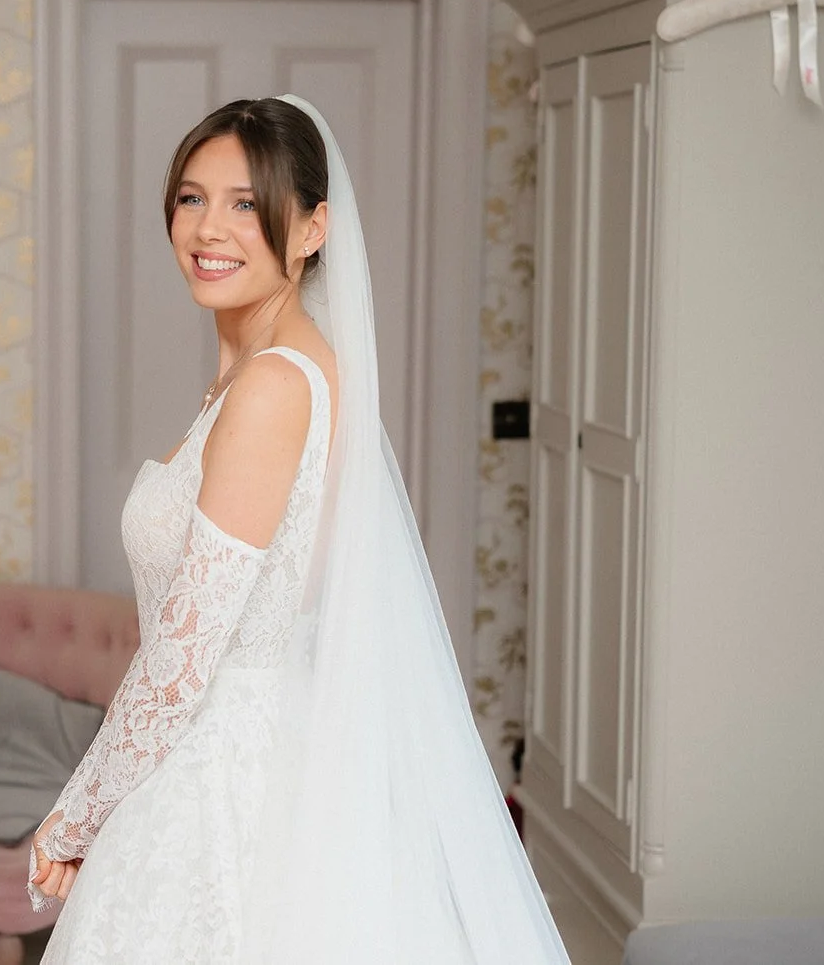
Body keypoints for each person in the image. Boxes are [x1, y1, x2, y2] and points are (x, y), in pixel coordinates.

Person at [28, 97, 570, 964]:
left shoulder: (274, 386)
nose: (209, 227)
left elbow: (184, 654)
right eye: (192, 197)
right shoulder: (274, 371)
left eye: (247, 203)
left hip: (222, 774)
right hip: (246, 748)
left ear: (314, 227)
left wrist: (79, 810)